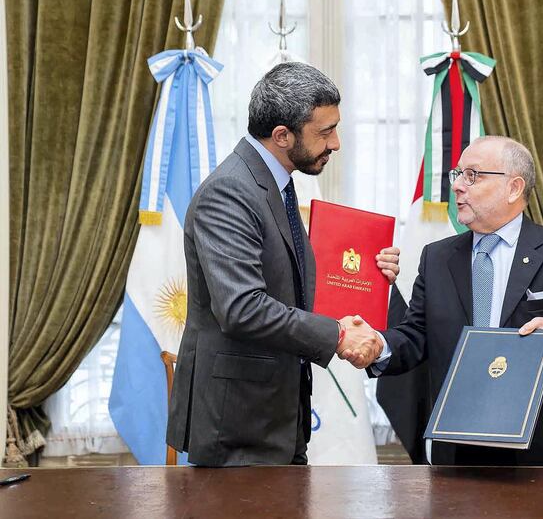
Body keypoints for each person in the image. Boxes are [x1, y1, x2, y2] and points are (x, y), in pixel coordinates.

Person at [347, 135, 543, 466]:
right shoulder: (437, 258)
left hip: (538, 450)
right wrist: (379, 344)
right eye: (457, 175)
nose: (458, 187)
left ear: (513, 188)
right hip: (456, 445)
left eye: (473, 175)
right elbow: (415, 335)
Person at [166, 62, 395, 467]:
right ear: (282, 136)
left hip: (275, 418)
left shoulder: (276, 185)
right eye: (324, 132)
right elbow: (242, 309)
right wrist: (339, 336)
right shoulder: (229, 193)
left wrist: (371, 276)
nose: (336, 143)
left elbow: (287, 282)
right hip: (239, 425)